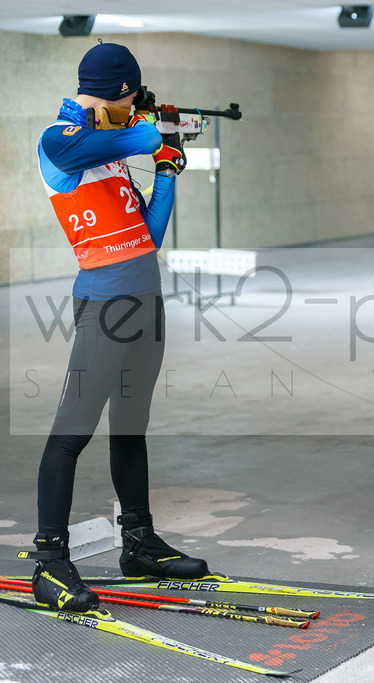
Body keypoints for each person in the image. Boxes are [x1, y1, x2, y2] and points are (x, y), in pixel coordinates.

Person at [26, 41, 207, 612]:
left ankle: (138, 543)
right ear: (121, 92)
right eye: (130, 97)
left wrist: (169, 173)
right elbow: (142, 134)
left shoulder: (108, 153)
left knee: (131, 427)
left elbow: (147, 236)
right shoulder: (60, 142)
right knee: (71, 431)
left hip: (145, 299)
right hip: (104, 304)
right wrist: (155, 127)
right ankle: (51, 562)